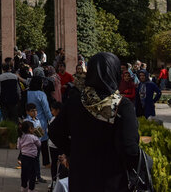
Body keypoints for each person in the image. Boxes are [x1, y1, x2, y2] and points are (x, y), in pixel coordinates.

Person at [49, 52, 140, 192]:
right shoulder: (122, 105)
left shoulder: (75, 101)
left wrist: (72, 152)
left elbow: (54, 131)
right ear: (115, 73)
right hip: (112, 179)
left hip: (81, 177)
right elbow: (130, 149)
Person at [27, 78, 52, 183]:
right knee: (41, 146)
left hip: (28, 123)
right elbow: (46, 109)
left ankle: (32, 173)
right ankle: (40, 170)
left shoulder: (27, 93)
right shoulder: (41, 94)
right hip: (40, 124)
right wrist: (51, 119)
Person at [18, 120, 41, 192]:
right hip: (32, 158)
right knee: (32, 175)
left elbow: (18, 147)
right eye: (33, 128)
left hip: (24, 158)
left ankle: (23, 187)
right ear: (30, 129)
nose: (34, 129)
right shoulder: (33, 137)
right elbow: (39, 144)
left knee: (24, 174)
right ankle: (31, 189)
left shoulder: (20, 137)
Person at [48, 101, 62, 184]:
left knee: (62, 163)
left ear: (58, 110)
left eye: (52, 110)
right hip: (52, 145)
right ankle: (53, 181)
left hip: (61, 146)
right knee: (54, 163)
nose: (51, 112)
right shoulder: (52, 120)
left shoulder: (64, 120)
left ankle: (60, 180)